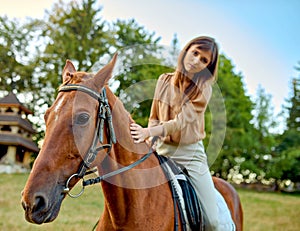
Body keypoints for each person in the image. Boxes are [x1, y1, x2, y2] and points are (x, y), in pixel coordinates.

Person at [130, 36, 220, 230]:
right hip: (161, 150)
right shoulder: (163, 80)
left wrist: (147, 131)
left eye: (204, 60)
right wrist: (149, 139)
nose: (196, 61)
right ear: (186, 50)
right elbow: (154, 115)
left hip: (190, 154)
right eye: (195, 53)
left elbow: (180, 123)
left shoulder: (204, 89)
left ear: (208, 67)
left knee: (213, 221)